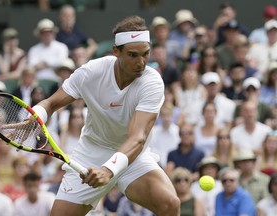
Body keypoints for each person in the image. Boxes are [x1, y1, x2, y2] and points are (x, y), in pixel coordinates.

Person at [29, 15, 180, 216]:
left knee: (170, 204)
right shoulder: (92, 72)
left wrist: (108, 170)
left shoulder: (152, 82)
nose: (141, 63)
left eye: (146, 54)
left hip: (133, 157)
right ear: (116, 51)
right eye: (133, 55)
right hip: (91, 153)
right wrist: (36, 114)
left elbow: (138, 138)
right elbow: (50, 103)